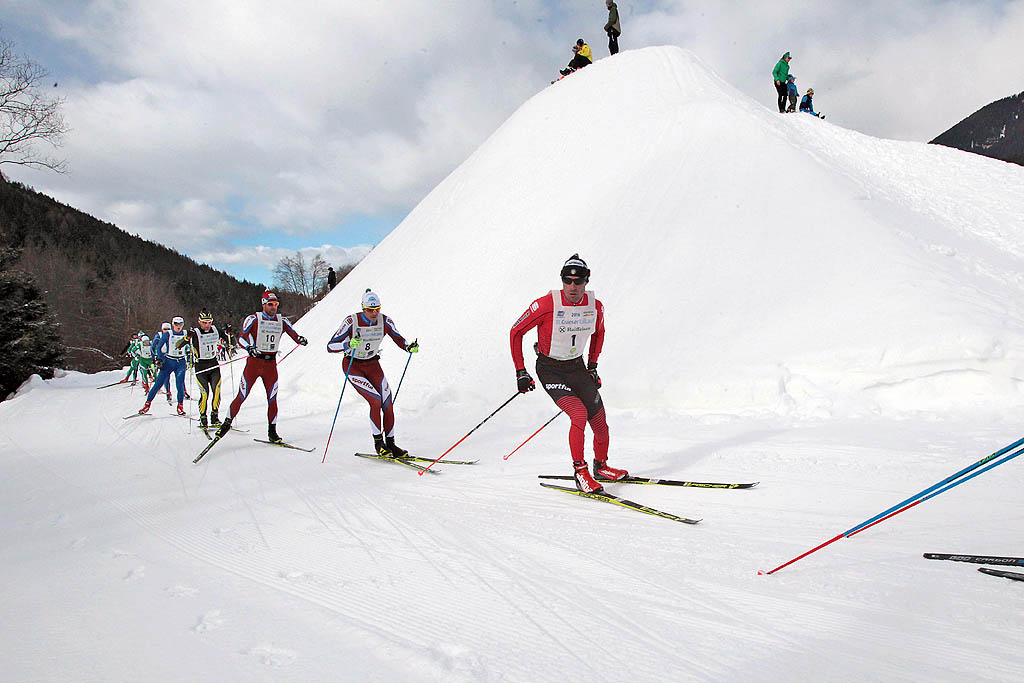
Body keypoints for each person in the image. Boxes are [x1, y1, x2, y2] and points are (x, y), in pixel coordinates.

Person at [509, 254, 627, 493]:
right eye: (567, 280)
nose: (573, 286)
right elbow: (516, 331)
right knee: (579, 414)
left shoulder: (595, 306)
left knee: (600, 422)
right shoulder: (546, 304)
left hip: (577, 367)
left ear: (587, 280)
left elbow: (599, 333)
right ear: (562, 280)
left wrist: (593, 367)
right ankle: (580, 472)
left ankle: (600, 466)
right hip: (550, 370)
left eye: (578, 281)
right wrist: (520, 371)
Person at [327, 289, 419, 458]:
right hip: (353, 366)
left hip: (373, 364)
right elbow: (330, 346)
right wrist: (347, 346)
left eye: (377, 308)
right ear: (363, 309)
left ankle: (391, 444)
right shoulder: (351, 321)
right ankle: (379, 444)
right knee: (375, 402)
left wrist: (408, 347)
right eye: (370, 310)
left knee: (387, 403)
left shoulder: (385, 320)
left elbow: (398, 337)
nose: (374, 313)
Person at [216, 291, 308, 443]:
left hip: (270, 365)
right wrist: (249, 348)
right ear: (264, 304)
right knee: (242, 395)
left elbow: (294, 334)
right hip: (254, 363)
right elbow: (241, 338)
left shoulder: (282, 320)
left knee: (272, 399)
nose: (273, 307)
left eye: (276, 304)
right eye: (270, 304)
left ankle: (272, 432)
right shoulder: (253, 319)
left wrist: (300, 340)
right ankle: (226, 423)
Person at [179, 309, 229, 429]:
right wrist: (187, 338)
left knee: (216, 391)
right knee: (205, 393)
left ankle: (214, 417)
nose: (207, 325)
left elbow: (229, 341)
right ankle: (203, 417)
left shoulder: (216, 330)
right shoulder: (195, 332)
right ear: (199, 322)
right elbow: (178, 345)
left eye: (209, 322)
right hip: (200, 367)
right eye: (204, 322)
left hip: (213, 365)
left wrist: (229, 334)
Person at [138, 316, 189, 415]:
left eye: (181, 324)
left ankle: (180, 406)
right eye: (176, 324)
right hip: (169, 361)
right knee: (158, 384)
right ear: (173, 324)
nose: (178, 326)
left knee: (180, 384)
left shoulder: (185, 333)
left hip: (181, 362)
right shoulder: (167, 334)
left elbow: (193, 344)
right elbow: (158, 347)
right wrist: (159, 359)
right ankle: (147, 405)